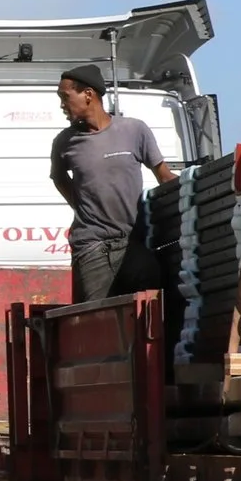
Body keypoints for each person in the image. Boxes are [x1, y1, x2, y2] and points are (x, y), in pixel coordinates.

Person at [50, 63, 178, 302]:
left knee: (151, 304)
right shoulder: (64, 143)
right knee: (96, 320)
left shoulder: (134, 130)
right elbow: (58, 178)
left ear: (88, 95)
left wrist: (195, 187)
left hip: (132, 243)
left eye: (65, 97)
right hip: (92, 247)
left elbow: (165, 177)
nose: (61, 105)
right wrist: (82, 207)